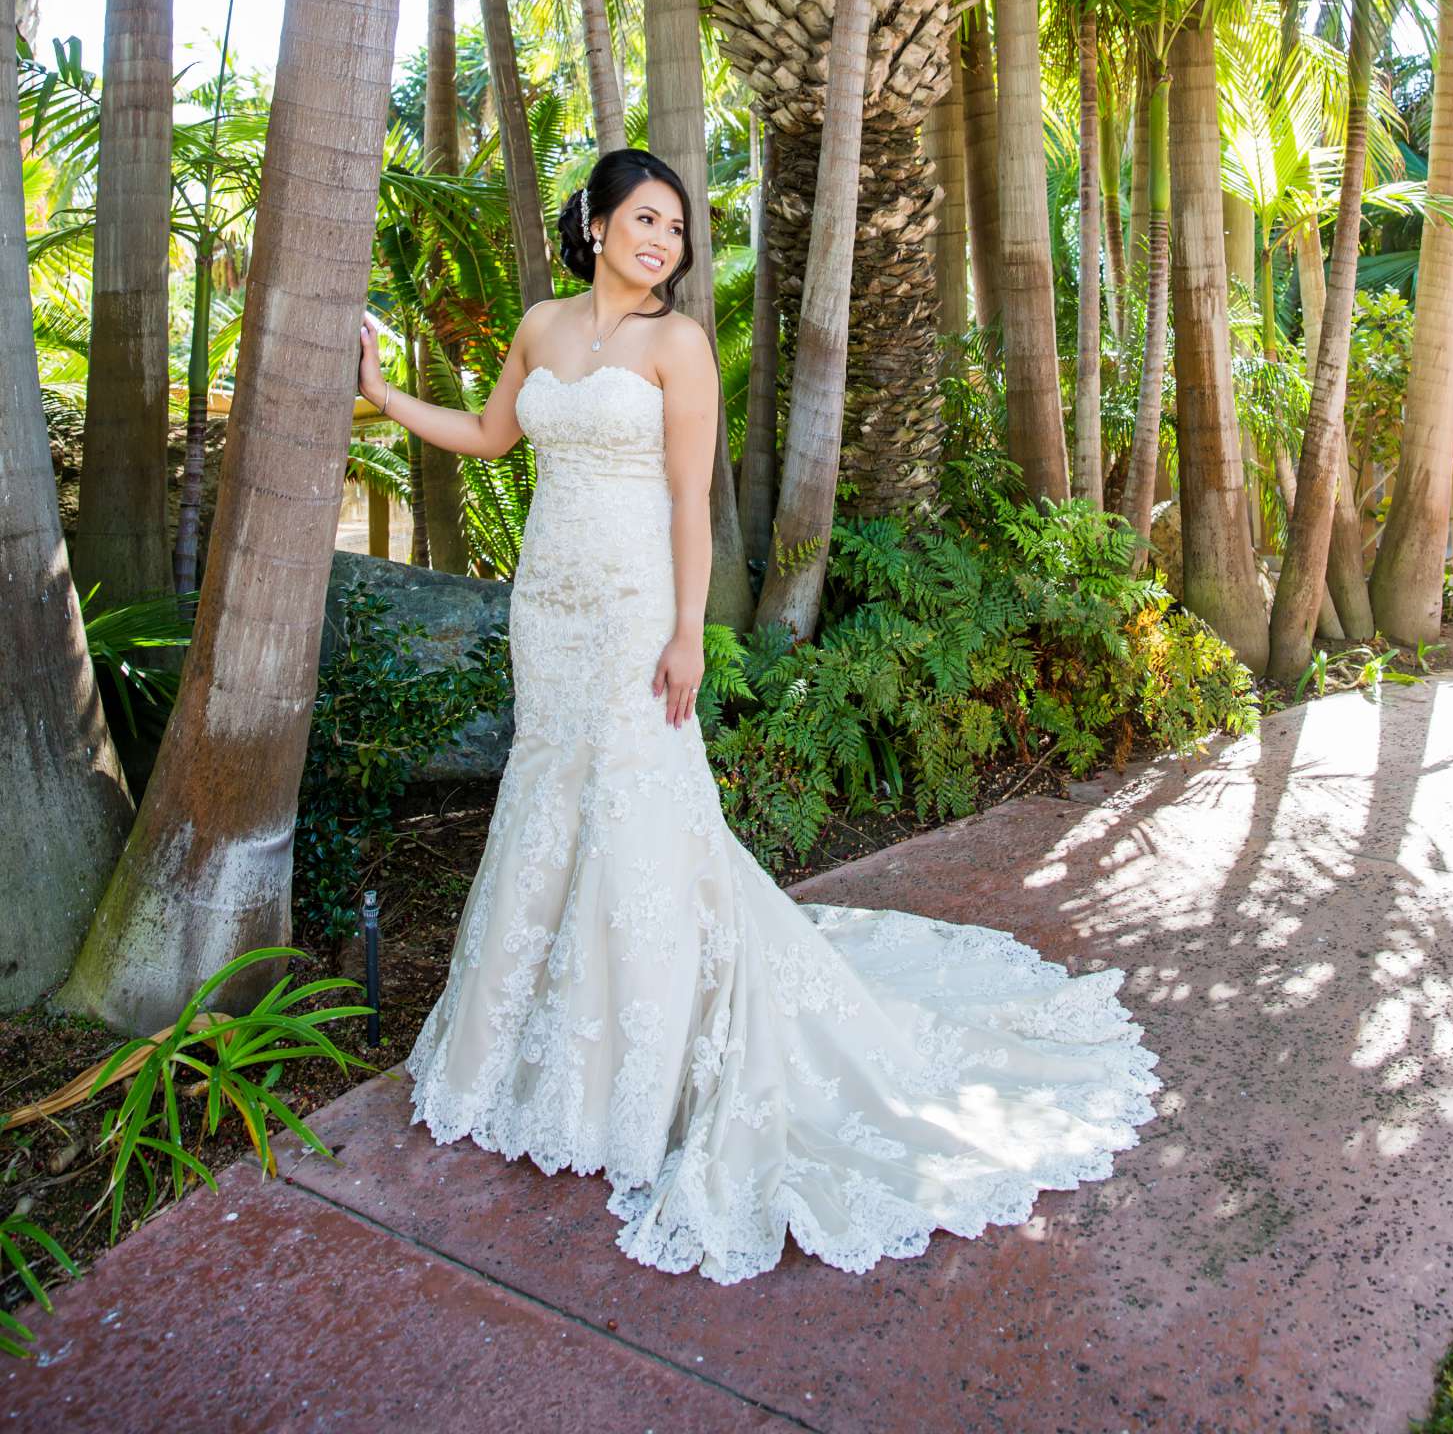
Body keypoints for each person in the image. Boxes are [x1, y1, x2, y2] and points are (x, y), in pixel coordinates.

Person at [360, 146, 1158, 1284]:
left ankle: (644, 1071)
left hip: (638, 608)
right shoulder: (541, 326)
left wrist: (688, 630)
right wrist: (386, 393)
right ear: (593, 223)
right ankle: (526, 1055)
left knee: (642, 820)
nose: (661, 242)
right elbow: (494, 439)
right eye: (643, 219)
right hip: (549, 611)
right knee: (550, 805)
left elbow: (692, 499)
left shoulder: (677, 346)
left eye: (676, 230)